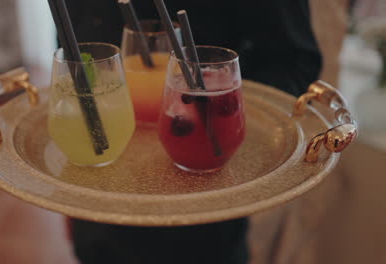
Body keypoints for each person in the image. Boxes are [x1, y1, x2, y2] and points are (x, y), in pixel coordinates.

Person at [65, 0, 322, 263]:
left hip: (204, 221)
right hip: (98, 199)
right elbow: (73, 39)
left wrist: (224, 107)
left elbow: (296, 61)